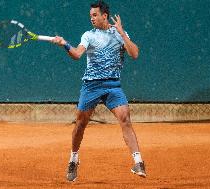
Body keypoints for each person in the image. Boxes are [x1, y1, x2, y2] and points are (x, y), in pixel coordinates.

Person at [52, 0, 146, 182]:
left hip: (113, 85)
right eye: (90, 16)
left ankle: (138, 161)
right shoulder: (88, 35)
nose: (92, 18)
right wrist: (64, 44)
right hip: (91, 85)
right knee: (80, 124)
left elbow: (134, 54)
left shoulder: (120, 34)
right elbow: (77, 54)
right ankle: (73, 158)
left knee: (125, 117)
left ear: (105, 16)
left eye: (95, 15)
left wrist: (122, 34)